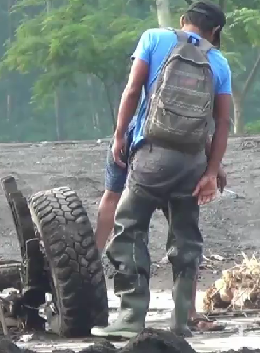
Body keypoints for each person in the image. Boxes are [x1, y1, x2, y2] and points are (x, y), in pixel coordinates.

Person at [91, 0, 231, 339]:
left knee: (129, 229)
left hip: (151, 156)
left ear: (184, 21)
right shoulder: (219, 62)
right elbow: (222, 122)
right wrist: (212, 172)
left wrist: (119, 134)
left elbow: (133, 89)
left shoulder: (154, 38)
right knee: (185, 241)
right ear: (215, 32)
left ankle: (130, 318)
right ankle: (181, 321)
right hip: (193, 162)